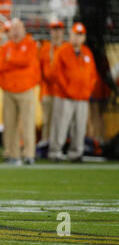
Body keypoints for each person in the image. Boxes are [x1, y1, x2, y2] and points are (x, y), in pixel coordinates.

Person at [48, 22, 97, 162]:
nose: (78, 38)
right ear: (71, 35)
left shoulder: (87, 52)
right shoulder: (63, 50)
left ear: (84, 37)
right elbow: (57, 73)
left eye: (81, 35)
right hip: (65, 96)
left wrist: (88, 90)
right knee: (60, 125)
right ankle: (55, 152)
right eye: (76, 34)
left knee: (80, 126)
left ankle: (76, 152)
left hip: (82, 97)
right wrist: (67, 89)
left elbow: (93, 75)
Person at [0, 18, 40, 165]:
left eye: (18, 28)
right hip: (8, 90)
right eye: (13, 28)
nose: (15, 31)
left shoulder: (30, 44)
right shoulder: (5, 47)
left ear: (23, 30)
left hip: (26, 89)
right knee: (9, 125)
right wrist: (3, 83)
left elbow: (25, 61)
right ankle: (12, 154)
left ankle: (28, 154)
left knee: (27, 124)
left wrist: (10, 61)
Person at [37, 20, 65, 148]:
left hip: (63, 91)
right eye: (54, 30)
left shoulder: (66, 48)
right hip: (47, 90)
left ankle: (58, 146)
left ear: (63, 31)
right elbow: (39, 69)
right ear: (51, 32)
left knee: (60, 121)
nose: (56, 33)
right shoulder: (45, 49)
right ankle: (45, 144)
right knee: (47, 120)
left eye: (58, 30)